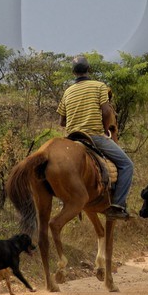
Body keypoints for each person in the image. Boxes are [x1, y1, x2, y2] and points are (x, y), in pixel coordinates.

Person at [59, 57, 134, 220]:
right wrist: (106, 129)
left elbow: (62, 121)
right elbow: (107, 112)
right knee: (127, 165)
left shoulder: (67, 91)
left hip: (71, 139)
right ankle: (118, 205)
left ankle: (62, 198)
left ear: (73, 72)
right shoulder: (100, 86)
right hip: (93, 136)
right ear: (89, 69)